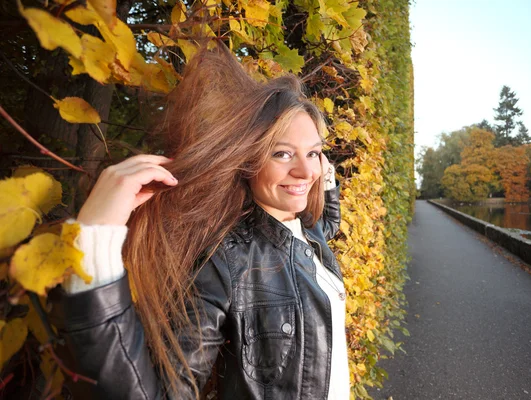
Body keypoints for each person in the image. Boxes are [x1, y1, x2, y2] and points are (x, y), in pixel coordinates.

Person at [49, 42, 350, 399]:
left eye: (313, 153)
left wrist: (326, 180)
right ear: (247, 160)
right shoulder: (226, 263)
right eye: (282, 153)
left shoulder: (308, 233)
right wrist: (96, 241)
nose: (305, 171)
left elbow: (328, 223)